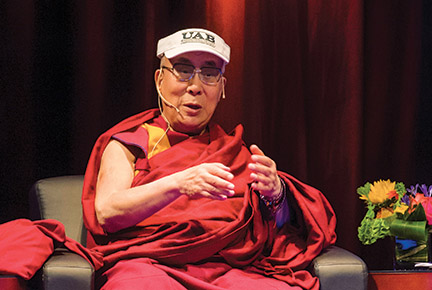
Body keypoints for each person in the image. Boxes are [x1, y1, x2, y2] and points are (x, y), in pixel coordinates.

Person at [81, 28, 336, 290]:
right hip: (147, 263)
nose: (195, 87)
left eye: (209, 73)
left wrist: (276, 195)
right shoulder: (131, 142)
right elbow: (107, 212)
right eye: (183, 70)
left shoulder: (233, 151)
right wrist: (178, 184)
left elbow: (277, 228)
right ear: (159, 80)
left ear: (222, 87)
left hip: (228, 266)